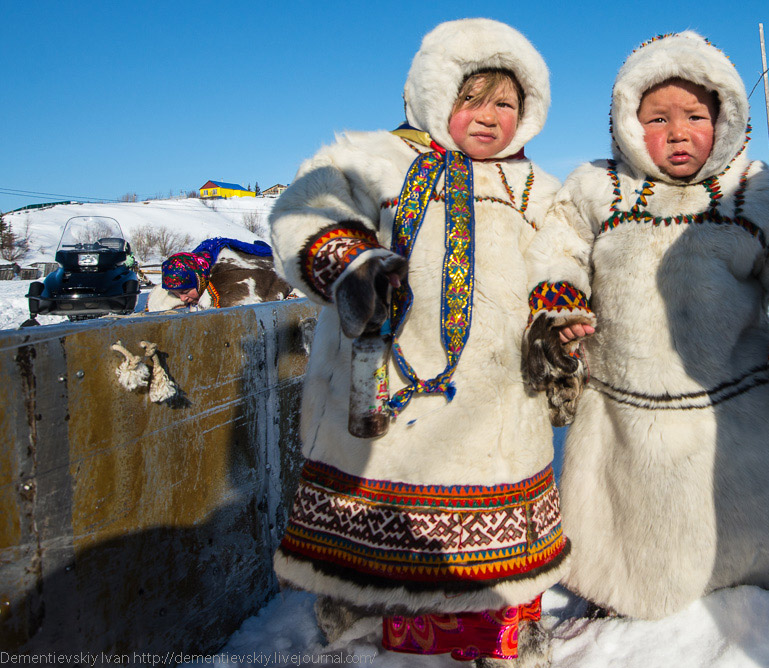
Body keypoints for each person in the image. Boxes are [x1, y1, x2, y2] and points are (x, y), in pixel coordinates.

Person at [269, 19, 571, 666]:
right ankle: (360, 618)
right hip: (384, 390)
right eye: (473, 97)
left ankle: (501, 629)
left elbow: (566, 259)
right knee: (372, 519)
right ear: (438, 94)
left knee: (492, 545)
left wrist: (560, 319)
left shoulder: (539, 190)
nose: (490, 116)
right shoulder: (374, 159)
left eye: (506, 104)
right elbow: (307, 205)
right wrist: (345, 263)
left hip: (497, 404)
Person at [524, 31, 769, 620]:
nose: (677, 131)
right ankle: (625, 591)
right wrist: (558, 308)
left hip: (738, 402)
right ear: (626, 121)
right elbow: (560, 247)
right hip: (627, 408)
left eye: (695, 115)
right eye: (657, 117)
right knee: (637, 534)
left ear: (725, 118)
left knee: (757, 521)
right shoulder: (596, 190)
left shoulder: (758, 192)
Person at [148, 237, 293, 311]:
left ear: (199, 280)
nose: (183, 298)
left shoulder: (232, 281)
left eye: (185, 292)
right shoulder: (194, 269)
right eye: (176, 294)